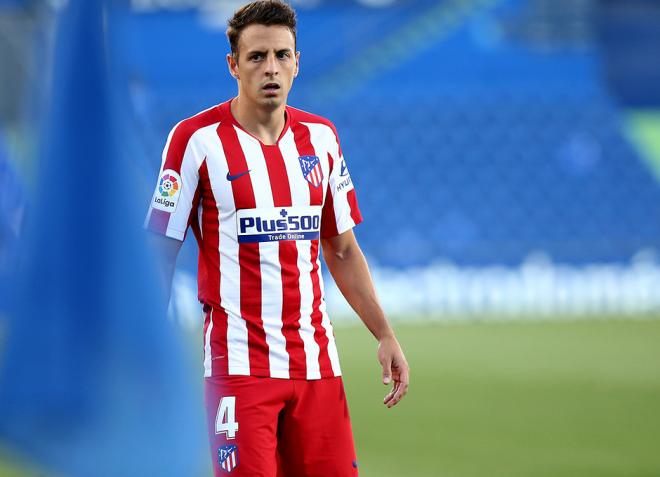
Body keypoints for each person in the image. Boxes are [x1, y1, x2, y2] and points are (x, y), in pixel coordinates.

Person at [145, 1, 409, 475]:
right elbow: (160, 254)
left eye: (282, 55)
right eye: (257, 56)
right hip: (238, 369)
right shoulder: (194, 141)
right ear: (233, 65)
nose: (272, 68)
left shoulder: (322, 138)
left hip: (317, 366)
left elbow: (343, 249)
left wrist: (384, 334)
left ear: (297, 62)